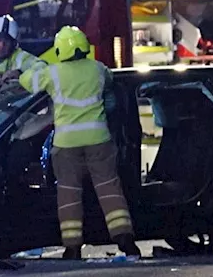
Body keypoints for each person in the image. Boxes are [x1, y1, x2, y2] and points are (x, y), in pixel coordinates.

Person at [19, 26, 141, 261]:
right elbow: (110, 81)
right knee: (109, 189)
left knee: (69, 194)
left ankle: (73, 247)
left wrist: (32, 68)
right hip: (99, 140)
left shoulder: (53, 73)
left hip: (66, 145)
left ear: (59, 49)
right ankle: (125, 239)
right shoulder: (97, 69)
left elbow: (28, 82)